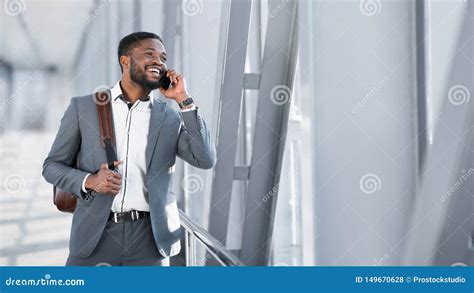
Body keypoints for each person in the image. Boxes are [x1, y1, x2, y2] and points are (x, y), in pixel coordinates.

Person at [42, 31, 216, 266]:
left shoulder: (171, 118)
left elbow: (205, 159)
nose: (159, 62)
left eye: (163, 58)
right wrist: (90, 181)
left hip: (151, 240)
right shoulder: (83, 108)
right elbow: (51, 167)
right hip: (95, 235)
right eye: (149, 54)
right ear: (125, 61)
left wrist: (184, 99)